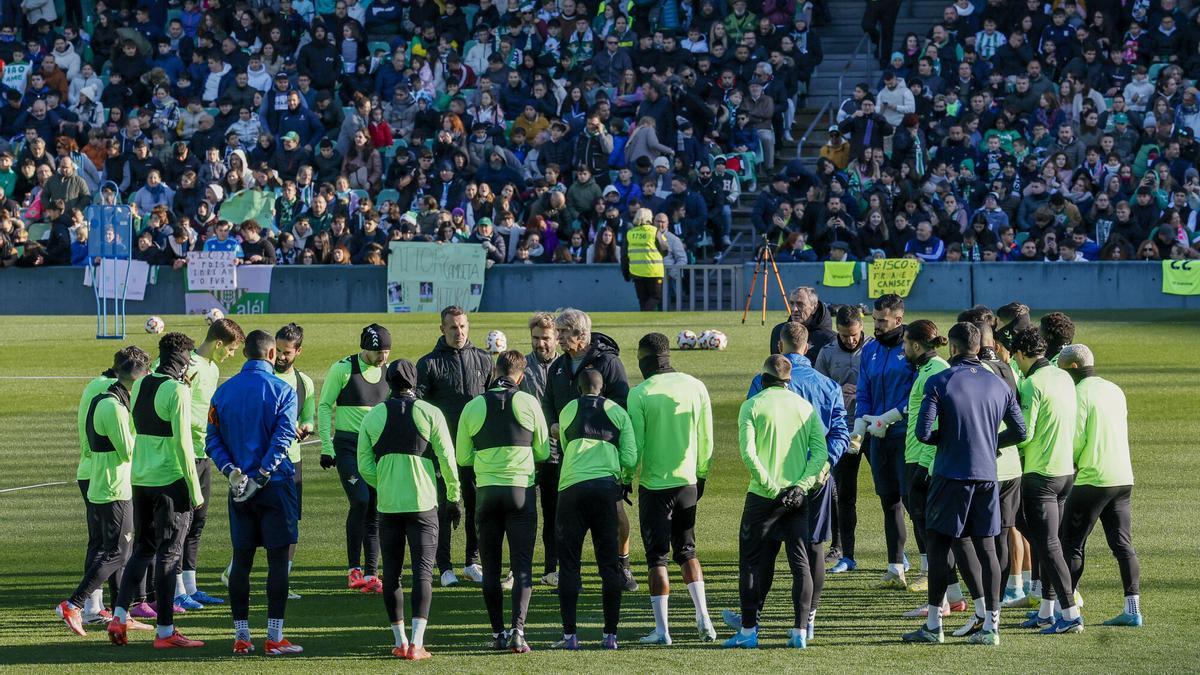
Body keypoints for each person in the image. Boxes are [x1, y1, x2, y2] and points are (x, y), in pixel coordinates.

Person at [904, 322, 1026, 646]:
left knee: (939, 545)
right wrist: (989, 442)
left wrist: (951, 440)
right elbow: (1021, 431)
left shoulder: (939, 381)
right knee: (987, 547)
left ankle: (934, 625)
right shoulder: (999, 384)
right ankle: (991, 628)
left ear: (953, 349)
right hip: (988, 475)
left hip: (950, 475)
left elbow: (923, 432)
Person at [731, 322, 849, 640]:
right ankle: (806, 622)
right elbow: (840, 433)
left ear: (780, 347)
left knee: (763, 552)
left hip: (771, 480)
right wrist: (822, 467)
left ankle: (751, 621)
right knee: (812, 551)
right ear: (807, 346)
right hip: (813, 479)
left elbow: (754, 429)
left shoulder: (762, 383)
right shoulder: (828, 386)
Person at [207, 330, 303, 655]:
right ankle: (274, 637)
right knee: (278, 562)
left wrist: (233, 473)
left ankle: (242, 636)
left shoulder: (223, 393)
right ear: (273, 353)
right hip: (274, 486)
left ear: (246, 353)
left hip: (238, 489)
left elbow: (212, 441)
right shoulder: (283, 389)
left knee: (241, 562)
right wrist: (261, 474)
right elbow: (284, 437)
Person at [358, 360, 462, 660]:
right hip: (424, 504)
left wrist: (386, 481)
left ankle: (400, 641)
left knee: (391, 575)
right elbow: (447, 458)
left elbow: (365, 464)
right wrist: (454, 497)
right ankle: (417, 644)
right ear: (414, 382)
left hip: (389, 506)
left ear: (388, 382)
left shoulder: (374, 416)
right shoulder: (431, 413)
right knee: (422, 574)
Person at [723, 355, 829, 650]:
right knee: (800, 563)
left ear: (763, 377)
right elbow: (819, 454)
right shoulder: (804, 407)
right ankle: (799, 631)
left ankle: (748, 630)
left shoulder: (753, 405)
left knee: (752, 563)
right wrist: (801, 486)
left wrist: (771, 487)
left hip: (762, 496)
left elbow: (748, 454)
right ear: (788, 380)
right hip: (797, 497)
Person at [108, 333, 205, 648]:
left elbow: (139, 430)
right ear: (181, 357)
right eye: (189, 356)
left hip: (141, 480)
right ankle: (165, 632)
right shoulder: (177, 390)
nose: (190, 362)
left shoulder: (140, 386)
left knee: (143, 550)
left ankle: (119, 616)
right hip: (170, 481)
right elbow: (183, 443)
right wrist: (195, 491)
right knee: (170, 554)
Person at [455, 350, 550, 653]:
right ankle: (518, 631)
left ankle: (497, 633)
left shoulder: (473, 406)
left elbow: (462, 457)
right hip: (520, 492)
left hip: (487, 494)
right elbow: (544, 451)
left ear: (495, 371)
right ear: (521, 376)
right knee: (522, 567)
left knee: (491, 569)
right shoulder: (529, 402)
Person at [626, 332, 717, 645]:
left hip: (655, 486)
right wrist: (700, 474)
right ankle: (704, 616)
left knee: (657, 559)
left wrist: (626, 477)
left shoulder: (639, 393)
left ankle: (663, 631)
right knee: (688, 550)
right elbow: (706, 437)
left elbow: (634, 446)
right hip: (688, 481)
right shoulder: (696, 386)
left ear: (643, 360)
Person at [57, 347, 152, 636]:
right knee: (118, 553)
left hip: (106, 483)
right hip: (114, 487)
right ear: (138, 378)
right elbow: (128, 450)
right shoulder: (113, 406)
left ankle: (119, 614)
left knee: (112, 550)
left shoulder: (107, 397)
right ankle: (73, 604)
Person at [542, 308, 637, 592]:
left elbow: (621, 403)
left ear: (581, 335)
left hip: (603, 456)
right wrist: (553, 425)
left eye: (562, 333)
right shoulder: (559, 366)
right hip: (569, 456)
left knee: (616, 513)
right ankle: (572, 573)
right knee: (569, 517)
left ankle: (623, 566)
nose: (557, 338)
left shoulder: (609, 363)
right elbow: (547, 401)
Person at [1057, 344, 1144, 627]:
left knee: (1071, 544)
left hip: (1092, 478)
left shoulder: (1078, 393)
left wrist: (1066, 462)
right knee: (1123, 545)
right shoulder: (1114, 389)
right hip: (1122, 477)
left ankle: (1064, 609)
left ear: (1071, 368)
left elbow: (1077, 439)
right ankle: (1133, 610)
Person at [552, 369, 638, 651]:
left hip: (571, 490)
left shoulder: (568, 410)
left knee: (569, 565)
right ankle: (610, 635)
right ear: (603, 389)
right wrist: (623, 480)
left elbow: (565, 445)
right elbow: (630, 457)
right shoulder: (617, 411)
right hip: (605, 491)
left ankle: (570, 636)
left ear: (579, 389)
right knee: (609, 565)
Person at [1011, 327, 1083, 634]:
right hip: (1065, 472)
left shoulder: (1031, 384)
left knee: (1049, 545)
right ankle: (1046, 611)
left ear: (1023, 354)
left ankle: (1070, 615)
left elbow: (1024, 434)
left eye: (1015, 354)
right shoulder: (1062, 376)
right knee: (1047, 543)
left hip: (1041, 474)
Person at [415, 306, 493, 587]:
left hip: (475, 449)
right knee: (446, 507)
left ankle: (472, 561)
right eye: (452, 328)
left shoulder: (484, 359)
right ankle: (444, 566)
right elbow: (418, 406)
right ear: (442, 329)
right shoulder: (428, 363)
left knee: (475, 506)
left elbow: (492, 399)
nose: (459, 332)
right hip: (441, 449)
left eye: (462, 326)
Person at [175, 318, 245, 610]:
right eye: (230, 350)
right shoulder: (184, 363)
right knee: (181, 522)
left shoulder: (213, 369)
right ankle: (176, 589)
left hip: (205, 452)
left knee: (198, 520)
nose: (231, 356)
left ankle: (191, 586)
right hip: (183, 453)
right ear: (218, 343)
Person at [318, 324, 392, 594]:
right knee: (360, 500)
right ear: (366, 348)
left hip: (376, 449)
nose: (383, 357)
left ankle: (372, 573)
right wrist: (327, 446)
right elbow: (325, 406)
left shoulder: (388, 372)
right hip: (348, 446)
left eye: (386, 351)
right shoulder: (343, 369)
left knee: (375, 508)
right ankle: (354, 570)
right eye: (378, 352)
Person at [854, 293, 917, 588]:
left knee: (914, 503)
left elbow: (917, 395)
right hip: (877, 437)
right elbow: (864, 389)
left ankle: (929, 568)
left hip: (906, 437)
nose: (877, 325)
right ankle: (895, 567)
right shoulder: (870, 350)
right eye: (875, 319)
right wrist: (861, 422)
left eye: (882, 320)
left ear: (898, 319)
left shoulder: (913, 349)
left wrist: (889, 418)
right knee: (888, 502)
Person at [898, 320, 954, 606]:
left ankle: (941, 597)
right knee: (926, 528)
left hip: (925, 461)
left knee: (935, 532)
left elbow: (942, 421)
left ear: (916, 345)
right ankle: (951, 597)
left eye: (906, 343)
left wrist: (927, 465)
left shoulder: (938, 371)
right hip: (916, 457)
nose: (903, 348)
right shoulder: (926, 370)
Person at [817, 305, 868, 575]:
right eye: (844, 335)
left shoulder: (872, 349)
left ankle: (899, 555)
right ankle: (845, 552)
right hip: (843, 431)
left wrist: (863, 391)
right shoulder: (826, 354)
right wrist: (837, 390)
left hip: (873, 426)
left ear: (861, 327)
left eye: (854, 334)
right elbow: (819, 390)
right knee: (844, 494)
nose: (850, 340)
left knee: (892, 495)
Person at [71, 352, 121, 624]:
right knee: (109, 545)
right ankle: (88, 607)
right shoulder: (108, 390)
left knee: (102, 542)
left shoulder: (95, 384)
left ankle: (97, 606)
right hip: (102, 474)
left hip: (91, 471)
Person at [272, 323, 315, 597]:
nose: (280, 356)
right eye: (277, 350)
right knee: (256, 519)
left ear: (298, 351)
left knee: (290, 521)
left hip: (292, 461)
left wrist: (306, 427)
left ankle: (282, 581)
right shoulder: (264, 377)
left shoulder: (304, 382)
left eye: (287, 352)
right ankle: (234, 569)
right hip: (264, 460)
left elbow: (308, 416)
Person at [520, 312, 562, 586]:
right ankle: (517, 569)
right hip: (525, 454)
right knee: (522, 516)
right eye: (536, 338)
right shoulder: (522, 366)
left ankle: (551, 568)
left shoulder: (567, 367)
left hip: (557, 454)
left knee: (553, 515)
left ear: (556, 337)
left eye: (545, 338)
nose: (540, 343)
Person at [768, 287, 837, 362]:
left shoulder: (829, 339)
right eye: (791, 303)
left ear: (814, 308)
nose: (794, 309)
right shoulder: (779, 331)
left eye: (800, 304)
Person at [621, 207, 668, 311]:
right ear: (650, 218)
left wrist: (626, 273)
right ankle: (646, 316)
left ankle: (644, 319)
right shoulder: (655, 232)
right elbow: (665, 249)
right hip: (653, 271)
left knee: (643, 299)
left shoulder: (630, 233)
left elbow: (624, 255)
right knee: (656, 296)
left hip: (636, 271)